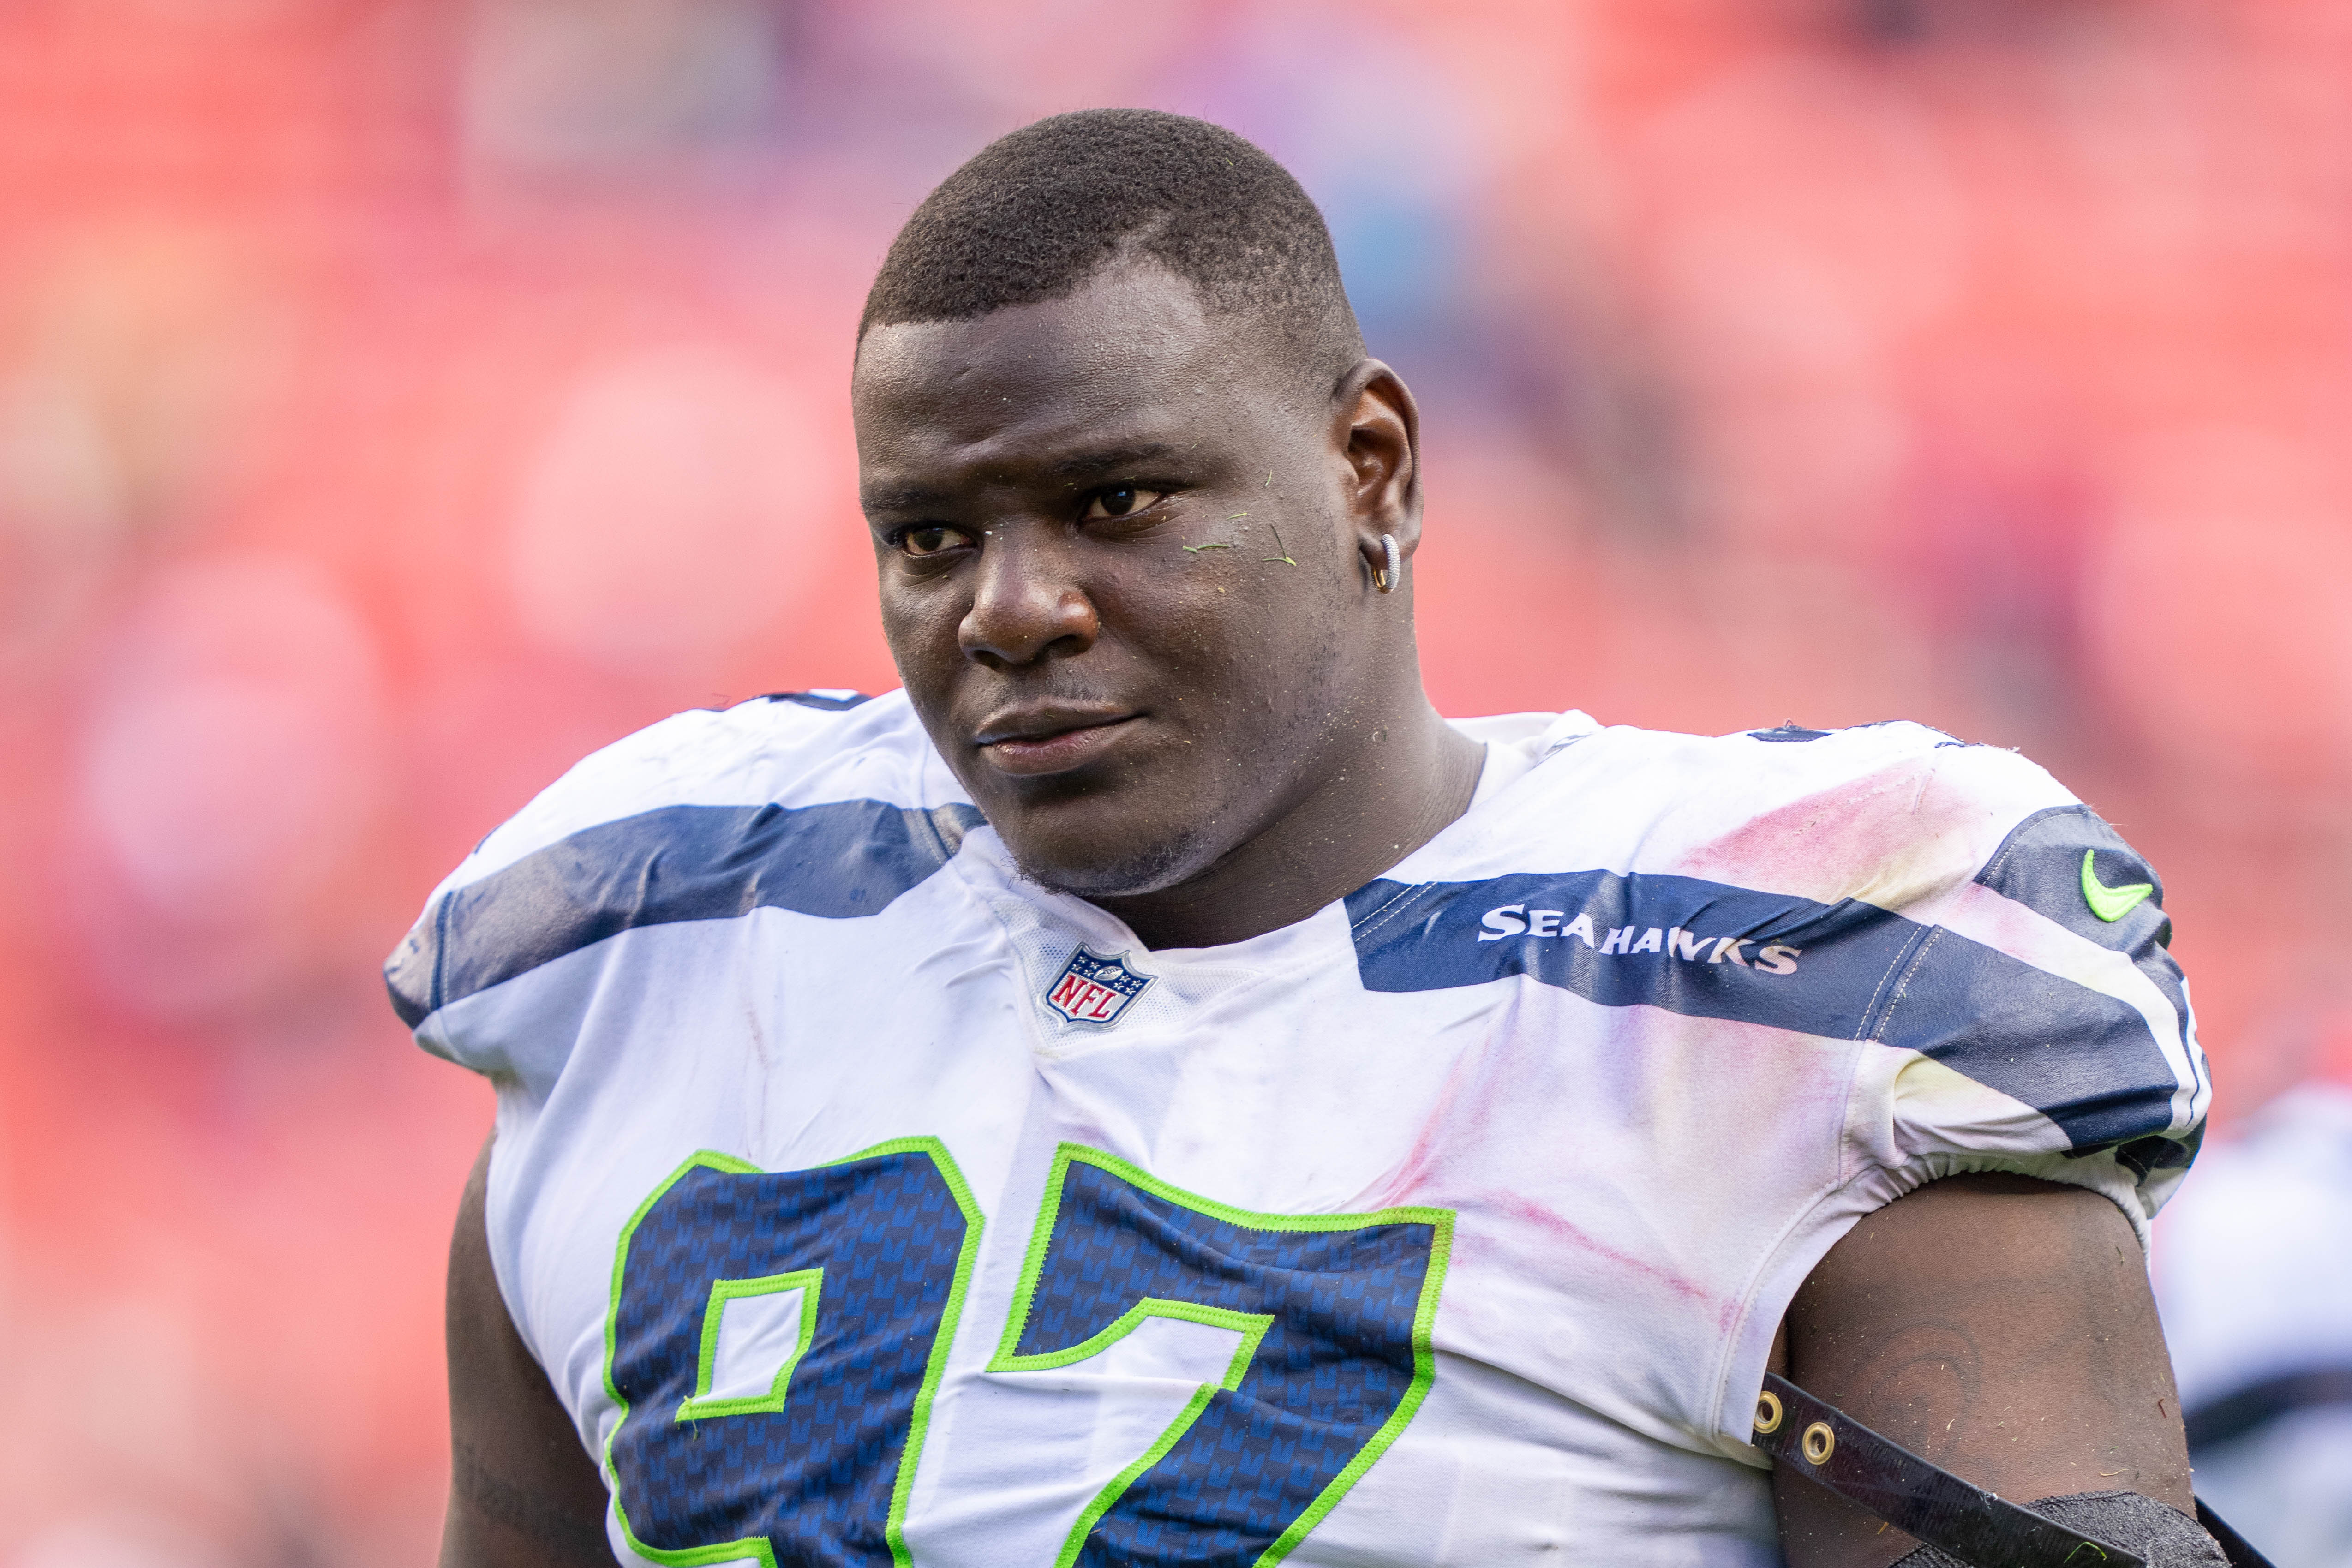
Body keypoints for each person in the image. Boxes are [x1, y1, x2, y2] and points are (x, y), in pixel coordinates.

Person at [394, 109, 2224, 1568]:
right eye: (932, 537)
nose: (1010, 609)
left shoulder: (1772, 973)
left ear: (1371, 471)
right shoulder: (659, 953)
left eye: (1118, 500)